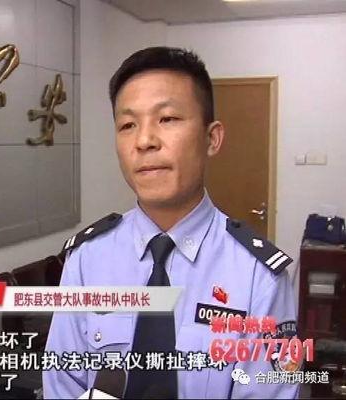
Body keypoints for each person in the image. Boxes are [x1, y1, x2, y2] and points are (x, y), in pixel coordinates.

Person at [43, 47, 299, 399]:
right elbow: (62, 385)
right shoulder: (87, 259)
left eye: (167, 119)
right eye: (128, 125)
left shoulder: (259, 276)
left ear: (212, 138)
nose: (144, 141)